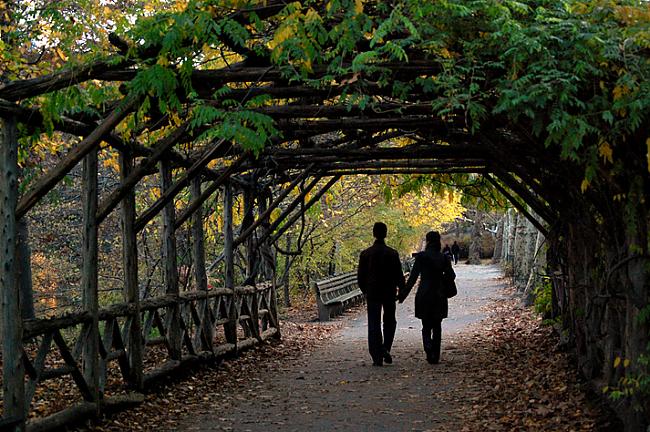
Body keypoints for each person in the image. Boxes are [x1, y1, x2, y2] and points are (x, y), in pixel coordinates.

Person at [398, 231, 455, 364]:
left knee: (426, 325)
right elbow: (451, 276)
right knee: (437, 325)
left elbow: (412, 278)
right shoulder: (443, 258)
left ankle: (428, 348)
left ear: (428, 241)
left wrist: (403, 295)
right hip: (439, 294)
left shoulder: (421, 257)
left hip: (424, 294)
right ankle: (435, 354)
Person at [357, 222, 405, 366]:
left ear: (373, 233)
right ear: (385, 234)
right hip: (389, 292)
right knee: (390, 322)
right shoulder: (392, 253)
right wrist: (401, 290)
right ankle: (385, 348)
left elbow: (360, 277)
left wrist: (365, 290)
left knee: (374, 324)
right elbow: (399, 275)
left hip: (372, 293)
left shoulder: (366, 254)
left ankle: (376, 356)